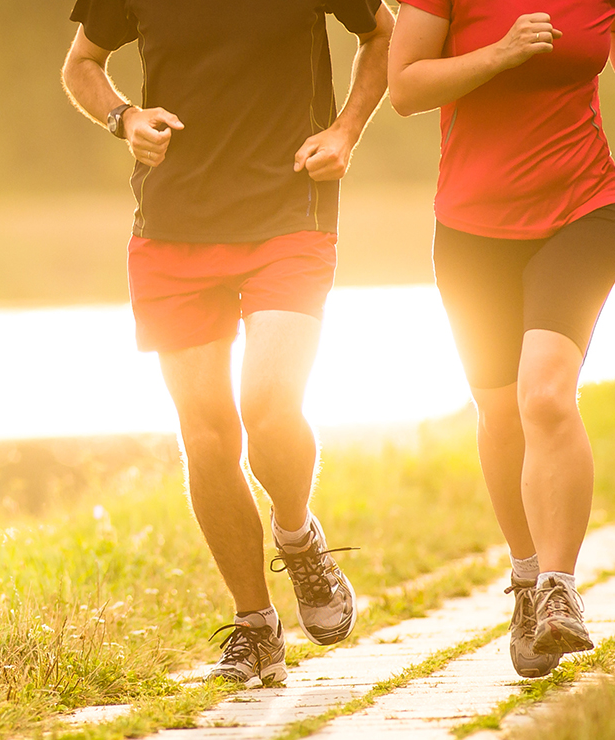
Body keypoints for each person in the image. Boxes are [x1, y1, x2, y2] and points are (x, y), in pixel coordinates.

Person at [62, 0, 393, 687]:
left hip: (288, 210)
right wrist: (125, 118)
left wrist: (345, 130)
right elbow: (82, 65)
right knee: (208, 436)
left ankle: (299, 537)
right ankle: (256, 627)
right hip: (172, 222)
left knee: (268, 407)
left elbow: (381, 33)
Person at [388, 1, 615, 677]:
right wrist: (500, 53)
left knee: (545, 396)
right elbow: (405, 88)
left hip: (582, 210)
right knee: (503, 413)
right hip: (473, 232)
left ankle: (559, 590)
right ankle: (527, 577)